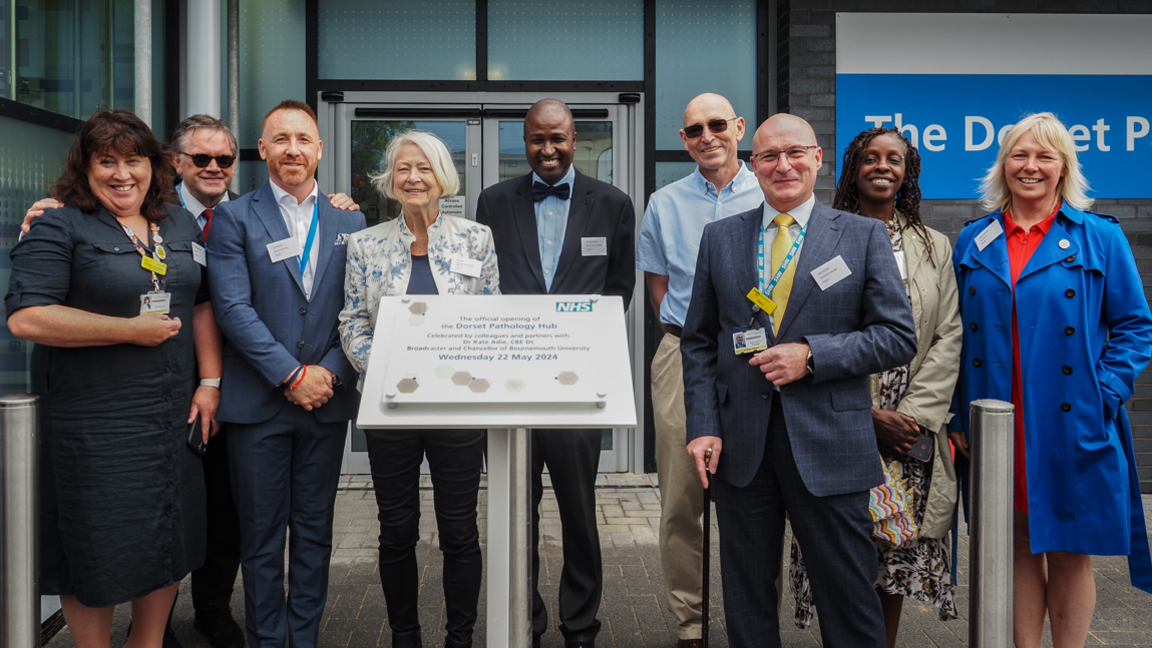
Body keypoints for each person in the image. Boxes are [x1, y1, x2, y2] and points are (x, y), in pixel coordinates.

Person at [681, 113, 917, 648]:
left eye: (794, 154)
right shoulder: (721, 238)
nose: (782, 165)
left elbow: (897, 336)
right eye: (769, 156)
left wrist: (813, 356)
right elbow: (698, 342)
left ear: (816, 159)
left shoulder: (860, 236)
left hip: (832, 448)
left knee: (850, 602)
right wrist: (702, 425)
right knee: (746, 602)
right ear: (753, 164)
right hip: (741, 449)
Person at [5, 108, 222, 648]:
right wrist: (127, 330)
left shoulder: (176, 221)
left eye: (134, 160)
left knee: (169, 532)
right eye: (107, 162)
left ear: (155, 165)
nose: (122, 174)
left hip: (171, 413)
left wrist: (210, 382)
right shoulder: (59, 222)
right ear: (86, 167)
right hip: (92, 422)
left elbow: (199, 303)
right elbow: (27, 316)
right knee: (92, 542)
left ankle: (145, 643)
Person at [951, 112, 1152, 648]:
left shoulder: (1100, 238)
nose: (1031, 166)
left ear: (1064, 167)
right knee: (1014, 543)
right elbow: (952, 337)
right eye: (1020, 155)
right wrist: (956, 415)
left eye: (1045, 156)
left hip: (1070, 418)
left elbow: (1135, 326)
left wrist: (1104, 392)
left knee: (1068, 546)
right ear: (1003, 165)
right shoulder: (974, 240)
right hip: (995, 421)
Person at [786, 127, 962, 646]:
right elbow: (805, 328)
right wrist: (863, 417)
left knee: (896, 553)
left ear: (908, 172)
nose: (883, 167)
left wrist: (910, 417)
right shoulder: (821, 237)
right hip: (838, 413)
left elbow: (949, 333)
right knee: (842, 547)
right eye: (871, 158)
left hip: (908, 428)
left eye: (895, 159)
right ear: (852, 168)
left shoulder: (935, 247)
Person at [476, 98, 635, 648]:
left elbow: (619, 291)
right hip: (510, 385)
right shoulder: (493, 201)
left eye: (559, 139)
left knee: (579, 511)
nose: (548, 150)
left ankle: (580, 624)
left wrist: (587, 353)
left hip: (575, 388)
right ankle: (526, 617)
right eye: (537, 140)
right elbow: (482, 284)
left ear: (574, 137)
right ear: (525, 141)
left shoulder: (612, 204)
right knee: (515, 511)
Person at [207, 100, 365, 648]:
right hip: (259, 405)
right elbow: (232, 309)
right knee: (262, 538)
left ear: (320, 149)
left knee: (317, 534)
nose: (292, 149)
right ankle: (267, 640)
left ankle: (305, 638)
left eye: (303, 139)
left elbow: (361, 311)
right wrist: (290, 375)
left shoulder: (352, 219)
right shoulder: (234, 216)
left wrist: (329, 372)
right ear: (263, 149)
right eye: (281, 139)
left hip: (326, 401)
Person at [338, 130, 498, 648]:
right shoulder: (365, 243)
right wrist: (381, 366)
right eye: (403, 169)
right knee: (397, 529)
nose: (413, 178)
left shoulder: (476, 239)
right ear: (391, 179)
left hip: (457, 407)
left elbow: (492, 317)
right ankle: (405, 635)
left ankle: (460, 638)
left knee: (459, 530)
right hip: (391, 408)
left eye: (423, 169)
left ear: (441, 177)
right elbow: (352, 322)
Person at [635, 93, 763, 648]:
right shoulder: (664, 203)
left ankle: (753, 624)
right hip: (682, 353)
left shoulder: (773, 191)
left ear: (739, 127)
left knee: (757, 496)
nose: (707, 136)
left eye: (717, 125)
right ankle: (690, 626)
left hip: (758, 357)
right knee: (682, 499)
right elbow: (658, 285)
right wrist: (687, 333)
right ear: (683, 140)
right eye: (694, 130)